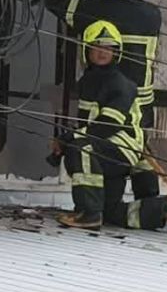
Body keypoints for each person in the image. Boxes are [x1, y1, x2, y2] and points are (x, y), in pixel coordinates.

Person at [45, 0, 165, 215]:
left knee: (95, 145)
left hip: (113, 98)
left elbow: (69, 10)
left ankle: (91, 209)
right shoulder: (153, 15)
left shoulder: (103, 12)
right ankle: (153, 204)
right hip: (144, 105)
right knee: (139, 151)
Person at [51, 22, 148, 230]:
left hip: (121, 149)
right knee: (111, 212)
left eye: (109, 47)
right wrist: (65, 142)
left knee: (80, 149)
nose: (103, 52)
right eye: (97, 46)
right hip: (104, 148)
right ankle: (164, 209)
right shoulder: (88, 81)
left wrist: (69, 138)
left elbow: (107, 126)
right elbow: (87, 123)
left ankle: (88, 214)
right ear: (86, 50)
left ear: (116, 52)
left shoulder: (120, 83)